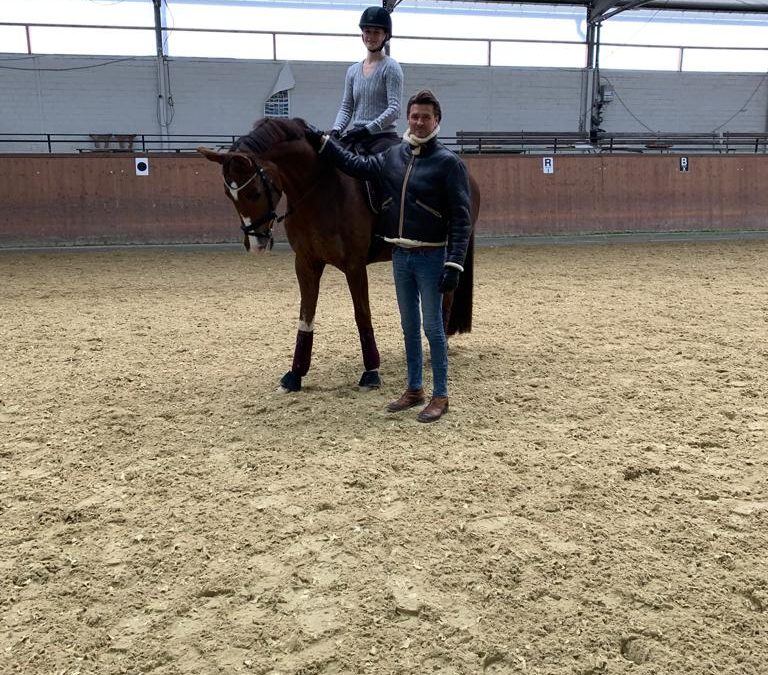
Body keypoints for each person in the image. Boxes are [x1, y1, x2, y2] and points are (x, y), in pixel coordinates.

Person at [306, 89, 472, 423]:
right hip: (401, 256)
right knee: (409, 327)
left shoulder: (449, 163)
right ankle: (414, 389)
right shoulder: (395, 155)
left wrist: (455, 262)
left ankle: (440, 395)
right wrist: (325, 145)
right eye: (414, 116)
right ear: (408, 119)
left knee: (433, 329)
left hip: (431, 256)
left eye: (426, 116)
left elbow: (462, 218)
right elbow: (357, 165)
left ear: (437, 120)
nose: (419, 121)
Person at [330, 6, 404, 154]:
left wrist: (367, 130)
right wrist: (336, 130)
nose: (371, 36)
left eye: (376, 32)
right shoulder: (352, 71)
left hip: (383, 137)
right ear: (362, 35)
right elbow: (346, 107)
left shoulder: (391, 67)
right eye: (367, 31)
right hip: (357, 135)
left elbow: (394, 109)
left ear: (385, 36)